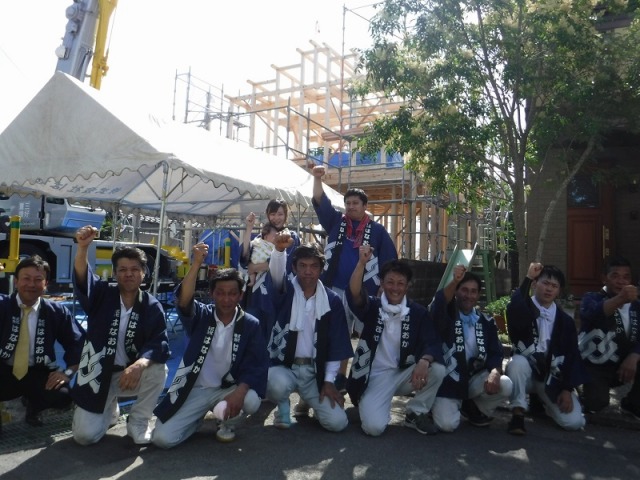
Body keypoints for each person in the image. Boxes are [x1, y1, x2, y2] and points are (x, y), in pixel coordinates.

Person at [153, 243, 268, 447]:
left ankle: (227, 423)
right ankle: (195, 421)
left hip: (227, 389)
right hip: (195, 389)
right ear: (212, 294)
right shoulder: (202, 315)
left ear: (240, 295)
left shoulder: (250, 324)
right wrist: (196, 263)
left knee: (250, 399)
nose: (226, 299)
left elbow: (256, 364)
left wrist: (239, 392)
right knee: (163, 439)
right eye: (220, 293)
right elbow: (184, 300)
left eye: (232, 293)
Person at [71, 226, 170, 445]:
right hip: (98, 375)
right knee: (84, 437)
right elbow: (83, 278)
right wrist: (83, 248)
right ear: (115, 273)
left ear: (143, 273)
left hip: (129, 374)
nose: (128, 274)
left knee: (158, 369)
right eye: (122, 269)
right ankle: (110, 409)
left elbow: (159, 342)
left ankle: (138, 422)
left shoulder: (151, 306)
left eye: (134, 269)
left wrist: (139, 365)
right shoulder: (101, 294)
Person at [311, 164, 397, 388]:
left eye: (355, 203)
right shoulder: (336, 222)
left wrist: (384, 287)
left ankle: (364, 378)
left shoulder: (377, 231)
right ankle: (338, 377)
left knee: (369, 333)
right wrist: (317, 178)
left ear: (365, 206)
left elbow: (390, 261)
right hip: (335, 289)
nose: (350, 207)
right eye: (347, 203)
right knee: (336, 333)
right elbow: (320, 200)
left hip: (365, 292)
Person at [346, 247, 445, 436]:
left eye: (401, 283)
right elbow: (355, 293)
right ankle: (370, 404)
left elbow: (431, 342)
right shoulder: (373, 306)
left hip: (404, 373)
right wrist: (361, 263)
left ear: (408, 286)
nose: (395, 288)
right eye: (390, 282)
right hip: (375, 376)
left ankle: (416, 412)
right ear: (382, 283)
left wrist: (424, 361)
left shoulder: (418, 313)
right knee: (374, 428)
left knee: (437, 369)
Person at [265, 234, 353, 432]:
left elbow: (336, 344)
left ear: (321, 269)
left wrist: (329, 381)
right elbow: (276, 276)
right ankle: (283, 404)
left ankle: (308, 400)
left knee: (337, 423)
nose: (308, 271)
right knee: (275, 384)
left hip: (314, 372)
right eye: (302, 265)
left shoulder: (332, 301)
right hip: (285, 367)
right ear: (294, 267)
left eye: (314, 266)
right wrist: (279, 251)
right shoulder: (285, 291)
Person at [0, 256, 85, 430]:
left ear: (46, 284)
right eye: (26, 278)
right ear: (16, 281)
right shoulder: (3, 305)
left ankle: (34, 406)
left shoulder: (56, 311)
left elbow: (77, 343)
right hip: (3, 369)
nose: (31, 284)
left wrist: (67, 372)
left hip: (38, 370)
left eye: (38, 280)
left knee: (63, 395)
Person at [505, 262, 587, 435]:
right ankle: (518, 413)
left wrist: (567, 389)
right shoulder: (523, 307)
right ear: (535, 284)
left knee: (574, 422)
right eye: (545, 283)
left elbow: (572, 355)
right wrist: (528, 277)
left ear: (559, 291)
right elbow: (514, 308)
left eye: (554, 286)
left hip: (550, 377)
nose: (549, 289)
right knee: (517, 363)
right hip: (526, 374)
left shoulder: (565, 321)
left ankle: (542, 401)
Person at [430, 265, 512, 432]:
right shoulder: (446, 315)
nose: (468, 295)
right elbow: (439, 302)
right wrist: (455, 281)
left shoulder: (486, 321)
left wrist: (495, 372)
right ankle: (434, 405)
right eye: (464, 290)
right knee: (447, 425)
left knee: (505, 384)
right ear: (456, 292)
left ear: (478, 295)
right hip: (449, 381)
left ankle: (473, 407)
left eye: (473, 291)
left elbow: (495, 352)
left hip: (473, 378)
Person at [579, 255, 640, 419]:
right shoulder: (591, 298)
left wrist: (635, 355)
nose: (621, 281)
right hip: (596, 366)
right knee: (596, 404)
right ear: (604, 278)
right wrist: (621, 299)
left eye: (626, 277)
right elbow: (593, 315)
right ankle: (580, 393)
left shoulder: (637, 306)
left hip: (625, 365)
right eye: (615, 276)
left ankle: (633, 403)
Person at [240, 201, 301, 341]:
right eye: (273, 214)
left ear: (286, 215)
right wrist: (249, 228)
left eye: (280, 214)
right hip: (256, 296)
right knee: (253, 336)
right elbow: (245, 259)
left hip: (278, 296)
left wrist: (255, 267)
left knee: (275, 338)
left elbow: (282, 265)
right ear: (267, 215)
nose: (276, 218)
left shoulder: (290, 237)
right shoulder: (260, 237)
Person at [246, 221, 277, 287]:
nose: (276, 238)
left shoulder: (273, 245)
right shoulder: (259, 241)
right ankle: (252, 281)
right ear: (265, 237)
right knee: (251, 272)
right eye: (275, 236)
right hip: (258, 259)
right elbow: (251, 245)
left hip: (259, 262)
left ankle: (252, 280)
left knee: (252, 271)